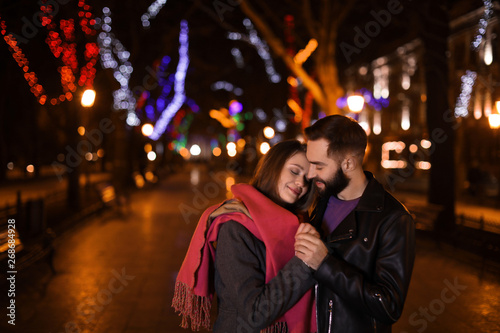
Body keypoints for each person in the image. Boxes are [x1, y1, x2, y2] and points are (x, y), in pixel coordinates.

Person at [173, 140, 318, 332]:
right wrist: (306, 262)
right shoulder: (237, 228)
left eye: (307, 179)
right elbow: (255, 313)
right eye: (294, 171)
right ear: (272, 168)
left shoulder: (299, 225)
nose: (301, 183)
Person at [294, 115, 416, 333]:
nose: (310, 174)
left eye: (318, 165)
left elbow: (389, 306)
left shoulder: (393, 219)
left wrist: (325, 264)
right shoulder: (320, 199)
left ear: (348, 163)